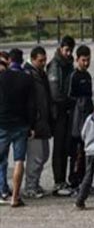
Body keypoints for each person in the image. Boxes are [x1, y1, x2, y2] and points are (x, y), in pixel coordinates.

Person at [0, 50, 35, 207]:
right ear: (21, 62)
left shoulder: (2, 77)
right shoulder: (27, 78)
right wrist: (31, 125)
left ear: (9, 61)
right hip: (21, 124)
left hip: (3, 122)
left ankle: (2, 190)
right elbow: (31, 105)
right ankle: (15, 197)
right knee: (19, 160)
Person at [47, 35, 75, 197]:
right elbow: (55, 94)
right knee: (59, 148)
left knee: (65, 147)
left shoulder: (68, 64)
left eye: (71, 50)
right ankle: (58, 182)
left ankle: (63, 180)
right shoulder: (55, 66)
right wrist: (70, 101)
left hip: (66, 111)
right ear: (60, 48)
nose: (69, 53)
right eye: (66, 50)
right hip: (58, 112)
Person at [24, 47, 53, 199]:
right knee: (36, 157)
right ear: (33, 59)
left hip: (43, 121)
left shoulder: (40, 73)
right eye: (41, 60)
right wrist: (31, 124)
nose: (43, 63)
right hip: (35, 123)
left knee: (44, 155)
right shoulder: (28, 74)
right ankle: (30, 187)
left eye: (45, 60)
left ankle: (35, 183)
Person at [67, 45, 94, 191]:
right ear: (77, 60)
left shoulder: (88, 76)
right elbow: (70, 97)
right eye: (83, 60)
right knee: (76, 153)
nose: (86, 63)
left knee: (85, 152)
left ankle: (84, 180)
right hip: (77, 120)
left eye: (88, 60)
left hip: (87, 118)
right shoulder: (74, 76)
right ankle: (74, 180)